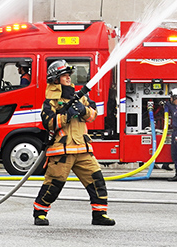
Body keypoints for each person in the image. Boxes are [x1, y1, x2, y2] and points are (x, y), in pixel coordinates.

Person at [32, 60, 115, 226]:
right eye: (64, 75)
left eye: (69, 75)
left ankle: (99, 214)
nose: (69, 78)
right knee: (54, 184)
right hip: (61, 151)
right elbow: (48, 123)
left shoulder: (82, 96)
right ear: (56, 79)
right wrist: (66, 116)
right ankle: (40, 212)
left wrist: (82, 109)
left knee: (97, 180)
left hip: (83, 149)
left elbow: (92, 116)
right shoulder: (51, 101)